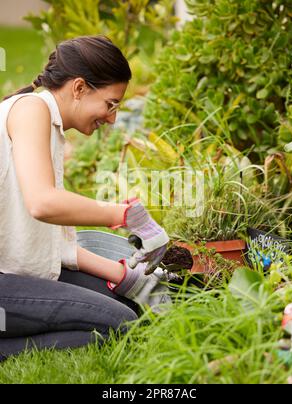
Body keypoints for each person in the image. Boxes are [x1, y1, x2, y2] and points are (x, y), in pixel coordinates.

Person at [0, 35, 170, 361]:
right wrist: (124, 215)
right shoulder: (31, 111)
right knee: (119, 323)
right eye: (111, 104)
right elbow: (43, 203)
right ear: (79, 88)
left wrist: (126, 276)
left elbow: (51, 246)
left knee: (127, 307)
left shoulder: (47, 122)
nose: (112, 118)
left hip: (11, 272)